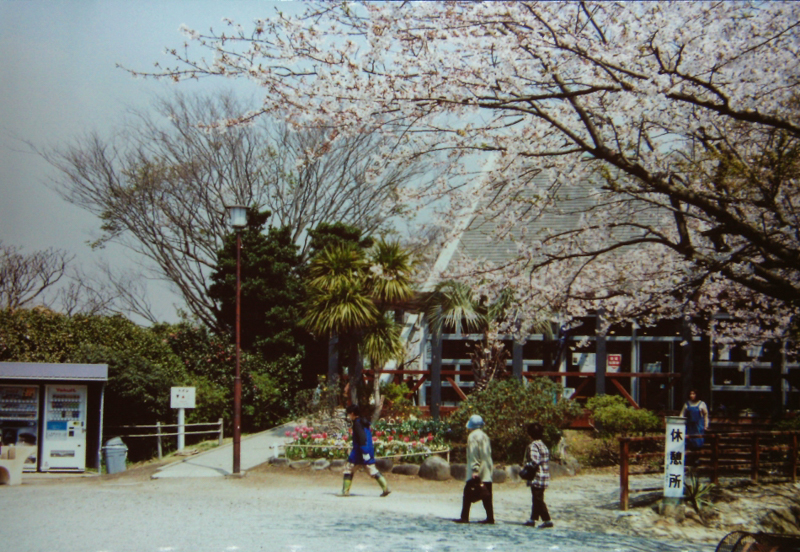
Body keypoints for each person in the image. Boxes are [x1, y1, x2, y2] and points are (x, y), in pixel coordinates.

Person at [340, 404, 390, 497]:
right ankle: (385, 487)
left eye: (349, 414)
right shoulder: (364, 422)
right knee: (372, 469)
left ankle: (345, 491)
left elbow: (362, 438)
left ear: (352, 413)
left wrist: (364, 451)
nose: (348, 416)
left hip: (359, 452)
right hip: (367, 450)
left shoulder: (357, 424)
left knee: (348, 469)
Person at [455, 414, 494, 524]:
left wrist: (475, 469)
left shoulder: (472, 437)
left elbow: (473, 454)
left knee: (467, 493)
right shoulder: (485, 436)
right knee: (487, 494)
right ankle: (490, 517)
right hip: (487, 469)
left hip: (477, 470)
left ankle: (464, 517)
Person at [523, 422, 553, 528]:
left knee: (538, 499)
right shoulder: (543, 445)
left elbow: (534, 461)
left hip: (537, 476)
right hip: (544, 475)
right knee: (537, 497)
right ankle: (533, 519)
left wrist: (526, 466)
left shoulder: (533, 445)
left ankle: (547, 520)